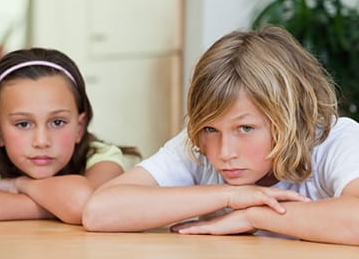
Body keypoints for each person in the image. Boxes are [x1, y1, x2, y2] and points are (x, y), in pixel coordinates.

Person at [82, 26, 359, 245]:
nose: (224, 152)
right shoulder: (198, 144)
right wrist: (229, 196)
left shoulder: (335, 139)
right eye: (211, 129)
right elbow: (100, 211)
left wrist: (255, 216)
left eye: (246, 129)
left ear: (289, 118)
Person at [0, 48, 140, 225]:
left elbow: (85, 203)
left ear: (79, 127)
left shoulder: (101, 156)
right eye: (23, 124)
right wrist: (53, 207)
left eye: (57, 122)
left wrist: (19, 185)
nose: (42, 141)